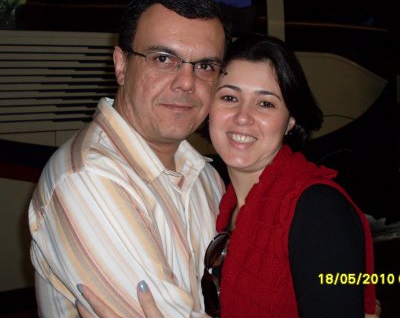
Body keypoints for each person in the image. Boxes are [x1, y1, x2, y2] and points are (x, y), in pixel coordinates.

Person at [77, 34, 379, 318]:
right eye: (230, 98)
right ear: (209, 107)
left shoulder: (317, 210)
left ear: (290, 121)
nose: (243, 117)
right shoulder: (219, 198)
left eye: (265, 103)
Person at [29, 0, 232, 317]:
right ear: (121, 65)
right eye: (163, 58)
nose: (187, 82)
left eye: (206, 66)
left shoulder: (205, 176)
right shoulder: (88, 179)